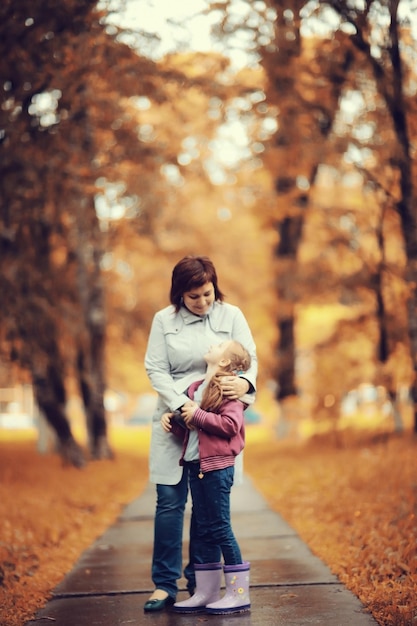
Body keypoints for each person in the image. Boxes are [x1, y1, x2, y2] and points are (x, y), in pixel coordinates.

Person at [143, 255, 257, 612]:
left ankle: (200, 583)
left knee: (208, 508)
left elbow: (249, 359)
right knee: (170, 501)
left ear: (214, 288)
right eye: (194, 297)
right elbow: (155, 368)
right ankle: (164, 584)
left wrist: (243, 385)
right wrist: (181, 409)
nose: (203, 303)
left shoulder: (232, 315)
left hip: (215, 424)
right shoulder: (164, 320)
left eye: (207, 294)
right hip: (175, 417)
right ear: (180, 294)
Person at [161, 339, 252, 615]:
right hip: (194, 466)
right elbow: (194, 431)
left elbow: (230, 425)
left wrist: (197, 414)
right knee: (202, 529)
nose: (214, 343)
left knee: (220, 527)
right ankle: (207, 592)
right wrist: (174, 421)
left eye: (221, 344)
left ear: (224, 361)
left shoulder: (226, 389)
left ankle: (238, 593)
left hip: (217, 468)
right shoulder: (196, 388)